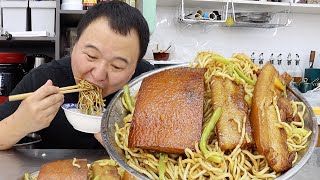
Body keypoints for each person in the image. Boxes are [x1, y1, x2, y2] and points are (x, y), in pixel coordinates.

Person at [0, 1, 155, 150]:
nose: (99, 74)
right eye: (91, 56)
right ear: (74, 47)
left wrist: (123, 147)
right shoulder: (45, 79)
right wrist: (19, 123)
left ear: (134, 68)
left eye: (117, 66)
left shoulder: (149, 84)